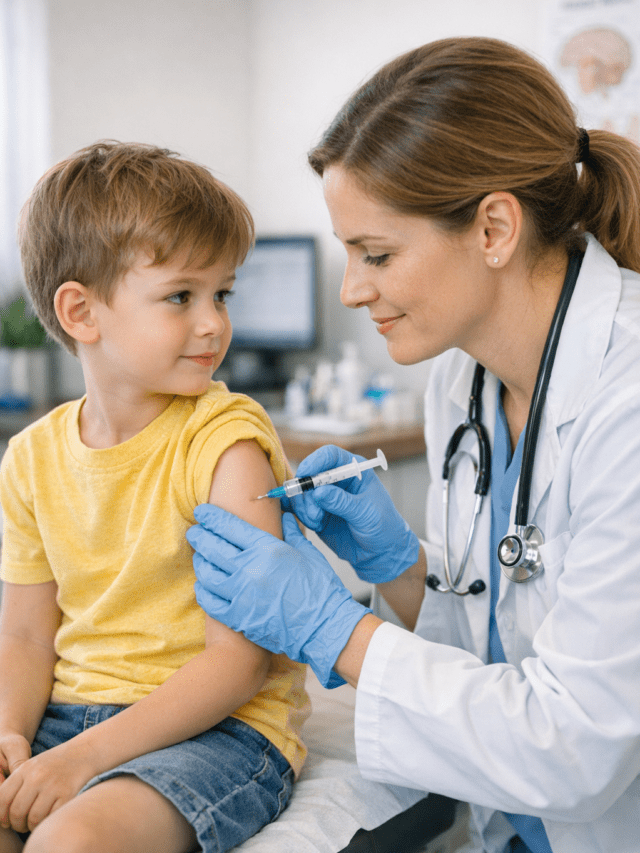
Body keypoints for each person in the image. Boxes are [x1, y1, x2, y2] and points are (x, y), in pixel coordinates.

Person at [187, 37, 640, 853]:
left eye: (377, 254)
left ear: (494, 227)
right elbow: (482, 660)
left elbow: (576, 746)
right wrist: (401, 569)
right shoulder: (459, 383)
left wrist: (331, 629)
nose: (353, 289)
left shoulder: (628, 398)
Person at [0, 141, 309, 853]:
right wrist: (14, 733)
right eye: (181, 296)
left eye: (221, 294)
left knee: (68, 843)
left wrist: (81, 760)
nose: (214, 322)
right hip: (66, 714)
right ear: (82, 312)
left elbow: (238, 664)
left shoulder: (225, 441)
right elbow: (22, 636)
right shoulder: (31, 458)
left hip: (218, 731)